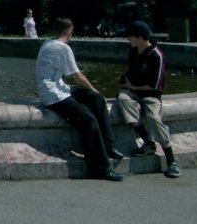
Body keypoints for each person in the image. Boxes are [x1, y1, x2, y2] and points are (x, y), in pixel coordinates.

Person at [36, 17, 125, 181]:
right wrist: (95, 90)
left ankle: (108, 146)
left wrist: (96, 95)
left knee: (97, 100)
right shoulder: (62, 48)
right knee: (88, 121)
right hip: (54, 96)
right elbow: (78, 76)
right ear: (70, 32)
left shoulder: (48, 43)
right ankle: (100, 169)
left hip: (60, 89)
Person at [116, 21, 182, 178]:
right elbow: (132, 73)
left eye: (129, 36)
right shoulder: (133, 50)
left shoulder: (156, 55)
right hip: (133, 91)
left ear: (139, 37)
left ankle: (171, 160)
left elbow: (156, 87)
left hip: (151, 95)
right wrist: (125, 82)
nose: (127, 39)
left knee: (153, 117)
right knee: (123, 100)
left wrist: (131, 86)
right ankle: (148, 143)